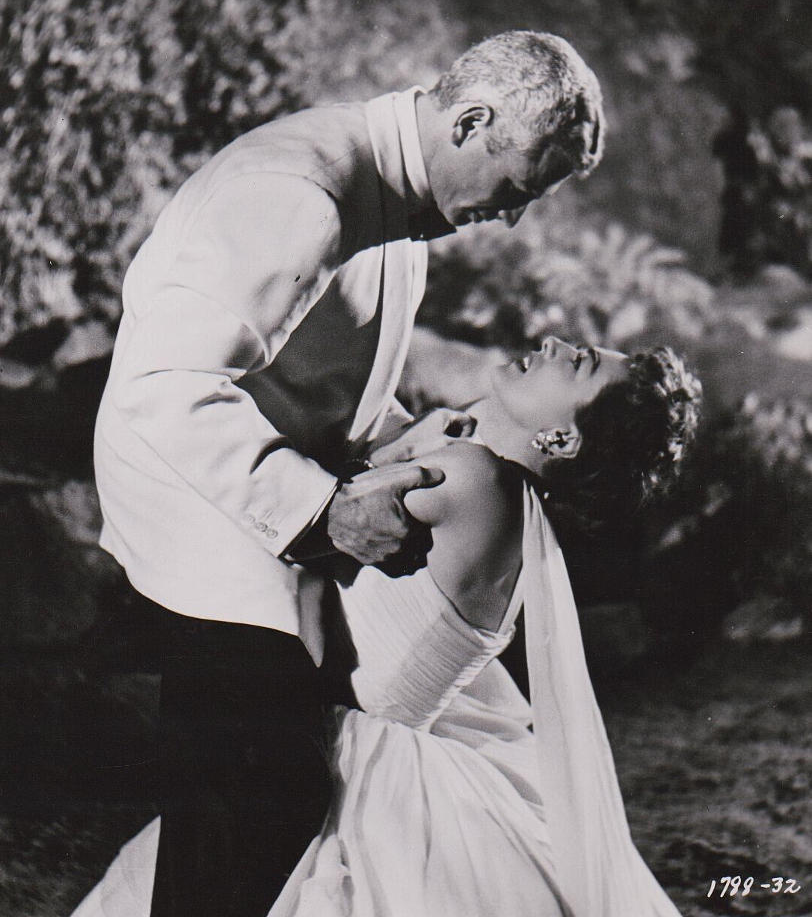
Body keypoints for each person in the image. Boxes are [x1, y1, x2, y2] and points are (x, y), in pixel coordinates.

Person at [91, 31, 605, 916]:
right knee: (260, 796)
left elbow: (320, 383)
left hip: (256, 495)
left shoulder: (400, 198)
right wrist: (327, 509)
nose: (512, 214)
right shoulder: (298, 195)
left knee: (270, 800)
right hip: (200, 504)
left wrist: (406, 435)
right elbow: (165, 389)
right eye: (518, 186)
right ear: (473, 121)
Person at [75, 335, 702, 917]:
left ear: (564, 439)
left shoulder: (474, 479)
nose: (556, 344)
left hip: (349, 761)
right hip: (371, 738)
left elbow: (307, 529)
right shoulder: (511, 503)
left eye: (580, 363)